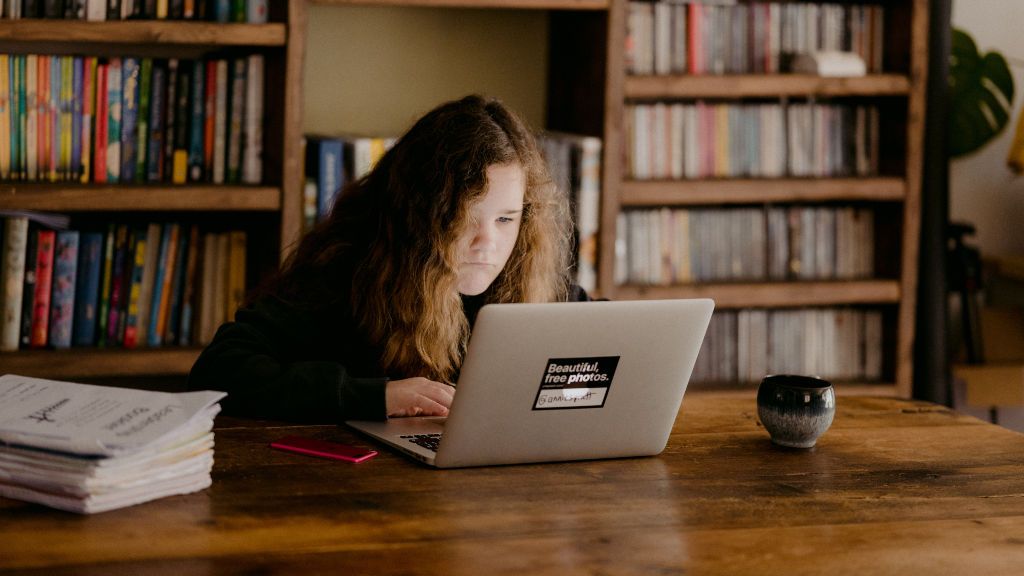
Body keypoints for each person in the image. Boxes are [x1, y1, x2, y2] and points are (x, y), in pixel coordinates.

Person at [188, 95, 591, 423]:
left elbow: (613, 338)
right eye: (463, 217)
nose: (487, 242)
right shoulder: (347, 272)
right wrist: (374, 397)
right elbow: (219, 370)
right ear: (419, 215)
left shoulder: (529, 275)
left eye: (506, 219)